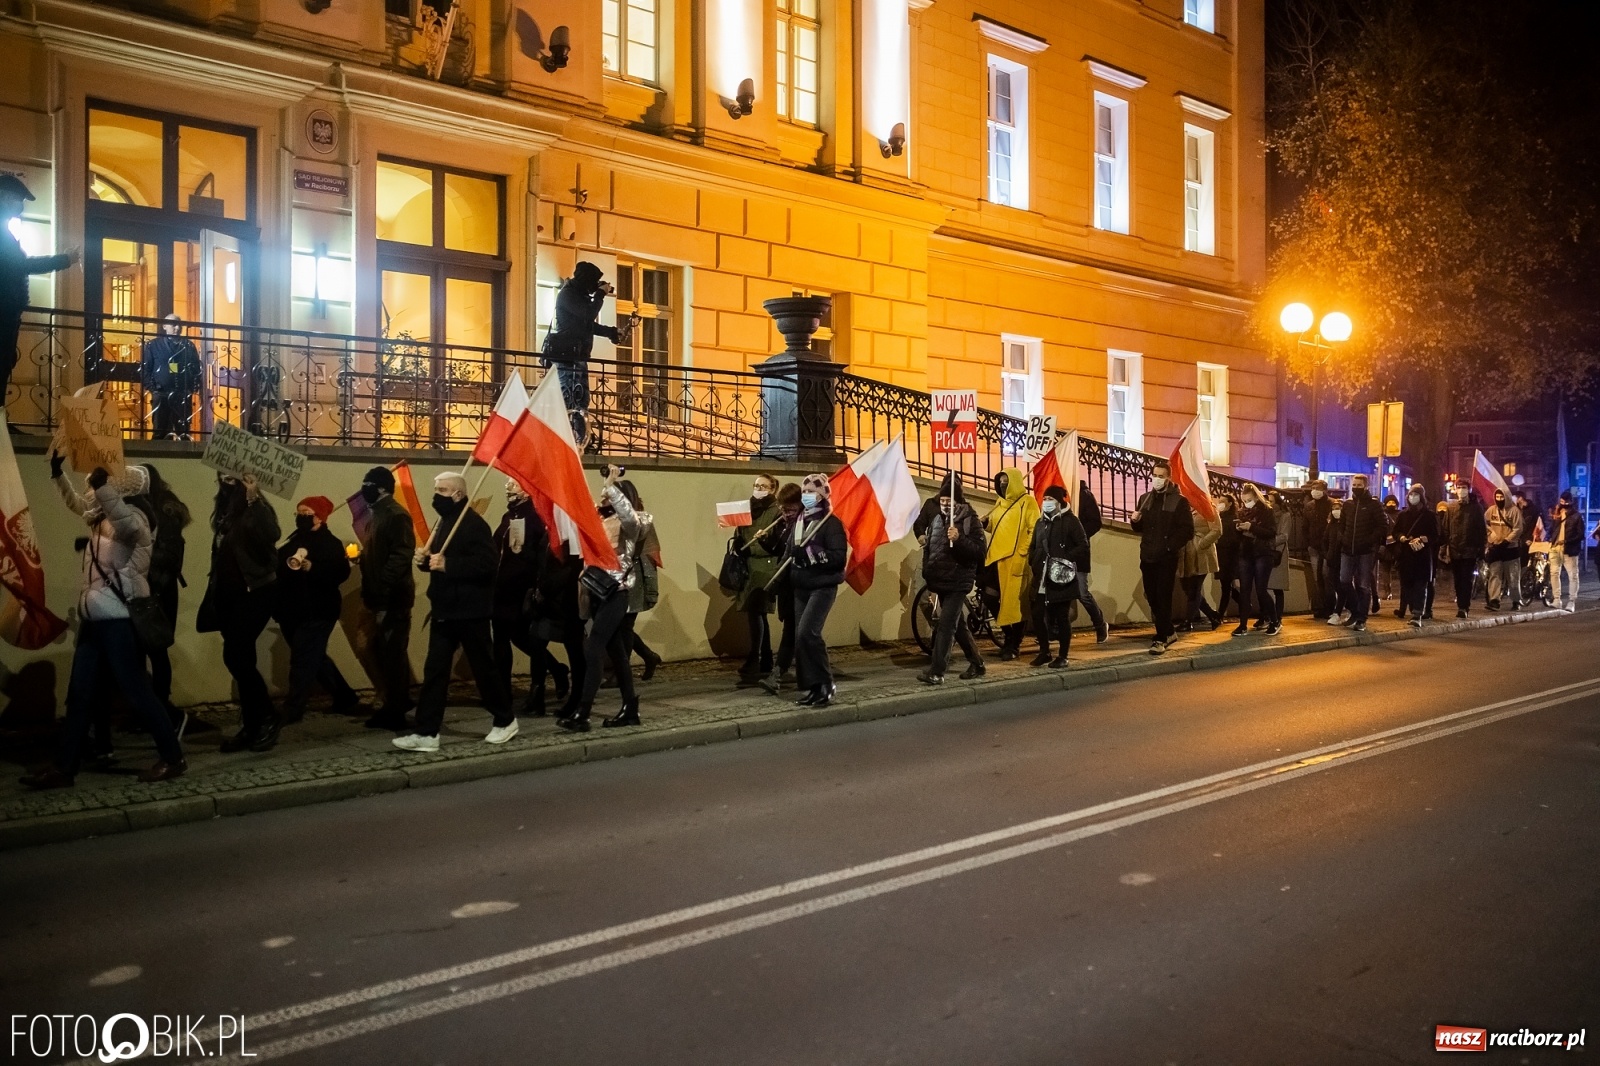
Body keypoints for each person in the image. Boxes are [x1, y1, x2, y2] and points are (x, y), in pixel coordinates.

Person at [22, 462, 186, 789]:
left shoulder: (139, 518)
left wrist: (103, 488)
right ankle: (65, 768)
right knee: (80, 694)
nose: (104, 486)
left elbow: (123, 525)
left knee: (137, 692)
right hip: (96, 618)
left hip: (119, 619)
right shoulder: (105, 515)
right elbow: (79, 505)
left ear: (127, 488)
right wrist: (58, 476)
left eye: (113, 482)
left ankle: (172, 758)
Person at [394, 472, 516, 751]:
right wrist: (425, 562)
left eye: (443, 490)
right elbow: (440, 561)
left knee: (483, 668)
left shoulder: (473, 524)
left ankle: (505, 719)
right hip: (445, 608)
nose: (436, 495)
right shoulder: (444, 522)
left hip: (470, 611)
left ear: (459, 495)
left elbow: (486, 565)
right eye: (436, 488)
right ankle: (427, 732)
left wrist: (448, 564)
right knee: (435, 671)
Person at [559, 466, 644, 731]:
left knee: (593, 647)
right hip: (595, 590)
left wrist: (610, 483)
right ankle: (630, 708)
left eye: (612, 496)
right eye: (605, 494)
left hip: (616, 591)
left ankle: (583, 713)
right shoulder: (600, 520)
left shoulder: (633, 522)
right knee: (617, 652)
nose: (605, 497)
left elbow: (630, 518)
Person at [206, 472, 283, 753]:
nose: (225, 483)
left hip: (256, 593)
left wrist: (253, 500)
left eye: (231, 478)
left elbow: (271, 535)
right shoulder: (226, 513)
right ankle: (252, 725)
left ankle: (268, 717)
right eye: (221, 478)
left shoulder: (256, 509)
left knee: (235, 656)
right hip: (231, 597)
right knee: (242, 659)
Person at [274, 496, 362, 724]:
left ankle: (293, 708)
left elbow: (340, 573)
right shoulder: (294, 540)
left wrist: (313, 568)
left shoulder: (329, 543)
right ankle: (346, 698)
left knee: (303, 660)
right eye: (298, 513)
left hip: (317, 611)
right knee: (314, 658)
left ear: (320, 517)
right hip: (293, 610)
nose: (301, 517)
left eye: (306, 513)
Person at [491, 479, 569, 705]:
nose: (508, 487)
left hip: (520, 589)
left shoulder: (534, 517)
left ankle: (554, 671)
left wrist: (535, 587)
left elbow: (538, 557)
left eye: (514, 484)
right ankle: (503, 690)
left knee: (523, 638)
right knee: (503, 638)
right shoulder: (510, 517)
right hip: (501, 589)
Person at [1, 174, 77, 397]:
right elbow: (20, 265)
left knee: (4, 363)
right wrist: (64, 259)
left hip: (7, 311)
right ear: (5, 198)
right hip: (3, 311)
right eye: (19, 200)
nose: (21, 207)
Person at [541, 262, 634, 444]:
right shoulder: (568, 295)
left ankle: (581, 438)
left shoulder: (578, 295)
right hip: (567, 356)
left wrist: (611, 332)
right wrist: (600, 294)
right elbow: (588, 314)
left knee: (581, 398)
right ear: (586, 280)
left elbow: (587, 325)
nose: (595, 286)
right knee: (571, 398)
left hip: (577, 355)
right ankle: (570, 439)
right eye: (594, 281)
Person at [357, 466, 417, 732]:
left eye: (368, 484)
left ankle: (397, 710)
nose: (364, 488)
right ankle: (394, 704)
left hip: (392, 598)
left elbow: (401, 554)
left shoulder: (395, 515)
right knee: (383, 653)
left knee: (393, 655)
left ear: (382, 488)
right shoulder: (377, 515)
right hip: (378, 597)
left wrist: (382, 584)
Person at [918, 473, 988, 684]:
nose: (945, 505)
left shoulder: (970, 519)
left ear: (958, 501)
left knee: (946, 625)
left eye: (949, 501)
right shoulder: (938, 519)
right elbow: (932, 549)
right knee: (957, 626)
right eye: (943, 502)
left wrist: (959, 540)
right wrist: (928, 572)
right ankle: (977, 663)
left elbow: (979, 552)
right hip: (941, 580)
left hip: (959, 581)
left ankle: (937, 671)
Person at [786, 472, 849, 706]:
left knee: (808, 632)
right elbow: (789, 550)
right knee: (800, 638)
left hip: (822, 586)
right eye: (804, 492)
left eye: (811, 492)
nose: (807, 496)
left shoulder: (831, 523)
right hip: (801, 584)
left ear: (822, 495)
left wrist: (811, 554)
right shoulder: (799, 521)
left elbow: (838, 557)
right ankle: (812, 686)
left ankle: (825, 682)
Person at [139, 463, 190, 730]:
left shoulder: (165, 513)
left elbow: (169, 557)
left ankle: (161, 709)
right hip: (143, 590)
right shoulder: (138, 508)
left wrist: (138, 557)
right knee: (138, 652)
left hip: (158, 591)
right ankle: (148, 709)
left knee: (157, 652)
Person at [1129, 460, 1195, 654]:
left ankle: (1161, 638)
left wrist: (1169, 547)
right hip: (1148, 555)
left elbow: (1187, 530)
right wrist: (1134, 522)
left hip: (1166, 557)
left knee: (1163, 596)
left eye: (1161, 476)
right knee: (1151, 595)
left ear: (1168, 478)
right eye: (1155, 475)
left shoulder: (1179, 501)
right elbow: (1140, 528)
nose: (1157, 479)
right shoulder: (1145, 499)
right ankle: (1168, 630)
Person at [1027, 485, 1089, 667]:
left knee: (1061, 616)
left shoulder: (1070, 521)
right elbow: (1033, 546)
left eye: (1050, 500)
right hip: (1041, 577)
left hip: (1061, 576)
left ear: (1059, 501)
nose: (1046, 503)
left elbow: (1083, 545)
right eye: (1044, 499)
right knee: (1038, 614)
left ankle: (1063, 656)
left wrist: (1065, 559)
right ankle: (1044, 651)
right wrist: (1034, 560)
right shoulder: (1040, 523)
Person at [982, 467, 1038, 660]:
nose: (1003, 485)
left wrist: (1023, 551)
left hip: (1016, 560)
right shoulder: (1000, 503)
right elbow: (997, 526)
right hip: (996, 559)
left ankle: (1014, 644)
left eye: (1006, 482)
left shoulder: (1027, 502)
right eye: (1000, 482)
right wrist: (985, 524)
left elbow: (1034, 528)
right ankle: (1009, 635)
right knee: (990, 597)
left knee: (1015, 603)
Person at [734, 473, 783, 681]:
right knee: (758, 614)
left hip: (765, 567)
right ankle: (765, 659)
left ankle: (755, 658)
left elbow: (775, 544)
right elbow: (740, 533)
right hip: (749, 567)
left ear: (772, 490)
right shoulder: (746, 509)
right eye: (756, 485)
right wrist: (738, 544)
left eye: (763, 486)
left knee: (757, 611)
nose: (758, 489)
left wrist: (753, 546)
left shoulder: (776, 512)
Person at [758, 483, 804, 694]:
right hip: (787, 586)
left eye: (790, 510)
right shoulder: (783, 524)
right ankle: (805, 674)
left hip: (802, 587)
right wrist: (764, 541)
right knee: (794, 631)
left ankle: (778, 673)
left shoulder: (807, 525)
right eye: (783, 509)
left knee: (799, 632)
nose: (785, 514)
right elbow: (778, 549)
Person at [617, 480, 664, 682]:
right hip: (617, 575)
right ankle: (648, 657)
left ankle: (622, 673)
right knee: (618, 626)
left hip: (634, 576)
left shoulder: (640, 520)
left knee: (624, 625)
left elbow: (649, 554)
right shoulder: (612, 517)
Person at [1333, 473, 1386, 632]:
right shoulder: (1348, 504)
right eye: (1354, 485)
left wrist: (1369, 541)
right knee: (1344, 581)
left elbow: (1382, 526)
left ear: (1366, 486)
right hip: (1347, 549)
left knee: (1363, 585)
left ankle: (1361, 618)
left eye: (1359, 485)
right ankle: (1355, 612)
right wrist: (1342, 539)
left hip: (1365, 551)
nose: (1355, 488)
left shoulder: (1373, 504)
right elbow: (1341, 525)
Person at [139, 314, 202, 440]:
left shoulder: (188, 346)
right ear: (164, 326)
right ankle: (159, 458)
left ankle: (183, 458)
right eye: (173, 324)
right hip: (161, 394)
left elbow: (196, 368)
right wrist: (154, 389)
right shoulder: (153, 345)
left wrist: (191, 388)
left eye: (179, 324)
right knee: (160, 430)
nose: (177, 328)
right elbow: (145, 369)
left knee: (183, 431)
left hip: (182, 394)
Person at [1232, 484, 1278, 636]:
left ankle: (1274, 621)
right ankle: (1243, 624)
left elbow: (1271, 533)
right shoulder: (1241, 511)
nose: (1246, 503)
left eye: (1249, 500)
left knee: (1261, 589)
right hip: (1246, 553)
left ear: (1256, 497)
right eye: (1244, 500)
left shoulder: (1267, 511)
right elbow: (1238, 537)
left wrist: (1251, 527)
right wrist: (1239, 529)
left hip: (1263, 553)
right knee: (1244, 590)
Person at [1393, 486, 1437, 628]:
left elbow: (1436, 536)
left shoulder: (1429, 516)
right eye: (1411, 494)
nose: (1413, 497)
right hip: (1406, 555)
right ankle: (1413, 609)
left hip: (1422, 556)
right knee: (1407, 585)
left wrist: (1425, 539)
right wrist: (1401, 537)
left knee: (1421, 585)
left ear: (1422, 497)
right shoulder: (1403, 515)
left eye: (1416, 494)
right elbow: (1396, 532)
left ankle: (1417, 613)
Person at [1177, 501, 1223, 631]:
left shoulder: (1208, 507)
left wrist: (1201, 544)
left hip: (1202, 554)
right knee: (1186, 587)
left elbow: (1217, 530)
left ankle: (1187, 622)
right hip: (1185, 553)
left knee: (1194, 589)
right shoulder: (1185, 506)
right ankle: (1213, 615)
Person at [1073, 480, 1110, 643]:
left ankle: (1100, 624)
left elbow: (1096, 522)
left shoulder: (1084, 495)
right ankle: (1053, 629)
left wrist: (1078, 535)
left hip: (1078, 552)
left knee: (1082, 593)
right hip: (1060, 553)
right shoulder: (1060, 494)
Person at [1443, 484, 1486, 618]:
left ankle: (1463, 607)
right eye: (1459, 487)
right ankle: (1460, 604)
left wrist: (1480, 548)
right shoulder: (1451, 507)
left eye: (1464, 487)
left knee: (1466, 578)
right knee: (1457, 579)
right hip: (1455, 548)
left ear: (1469, 490)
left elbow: (1481, 529)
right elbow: (1446, 528)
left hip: (1470, 549)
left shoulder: (1476, 508)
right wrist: (1445, 546)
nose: (1461, 490)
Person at [1482, 487, 1524, 611]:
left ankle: (1516, 600)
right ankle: (1494, 600)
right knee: (1495, 575)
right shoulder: (1491, 510)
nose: (1499, 500)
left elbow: (1518, 529)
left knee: (1513, 577)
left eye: (1502, 497)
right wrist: (1491, 537)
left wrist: (1507, 540)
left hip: (1511, 549)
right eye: (1497, 497)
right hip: (1496, 547)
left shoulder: (1514, 511)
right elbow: (1484, 524)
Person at [1302, 479, 1334, 618]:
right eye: (1313, 487)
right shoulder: (1309, 506)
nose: (1314, 490)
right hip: (1314, 546)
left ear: (1325, 490)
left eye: (1318, 487)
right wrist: (1308, 542)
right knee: (1317, 577)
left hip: (1328, 547)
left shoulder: (1333, 504)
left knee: (1327, 576)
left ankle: (1330, 607)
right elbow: (1305, 526)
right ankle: (1320, 607)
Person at [1547, 498, 1583, 611]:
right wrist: (1548, 538)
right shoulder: (1557, 514)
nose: (1562, 504)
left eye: (1565, 502)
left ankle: (1571, 601)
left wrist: (1567, 541)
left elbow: (1580, 534)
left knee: (1572, 575)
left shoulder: (1576, 516)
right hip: (1555, 547)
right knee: (1554, 573)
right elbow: (1552, 529)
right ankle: (1557, 600)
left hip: (1569, 549)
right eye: (1561, 501)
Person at [1213, 493, 1241, 621]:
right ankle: (1245, 604)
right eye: (1220, 501)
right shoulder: (1218, 517)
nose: (1220, 503)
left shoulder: (1234, 518)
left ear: (1230, 503)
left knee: (1226, 586)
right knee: (1226, 585)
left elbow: (1235, 539)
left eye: (1223, 501)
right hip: (1220, 555)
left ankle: (1219, 614)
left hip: (1230, 556)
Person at [1267, 491, 1292, 625]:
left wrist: (1268, 541)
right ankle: (1268, 615)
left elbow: (1284, 536)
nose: (1269, 504)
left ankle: (1278, 615)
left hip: (1278, 553)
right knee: (1264, 585)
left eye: (1271, 501)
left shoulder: (1285, 515)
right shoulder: (1267, 515)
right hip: (1266, 552)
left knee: (1278, 587)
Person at [1377, 495, 1401, 607]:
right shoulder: (1382, 515)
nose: (1391, 504)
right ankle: (1387, 591)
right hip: (1386, 545)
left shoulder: (1400, 515)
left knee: (1400, 569)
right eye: (1389, 502)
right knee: (1385, 570)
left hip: (1398, 545)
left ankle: (1403, 592)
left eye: (1393, 502)